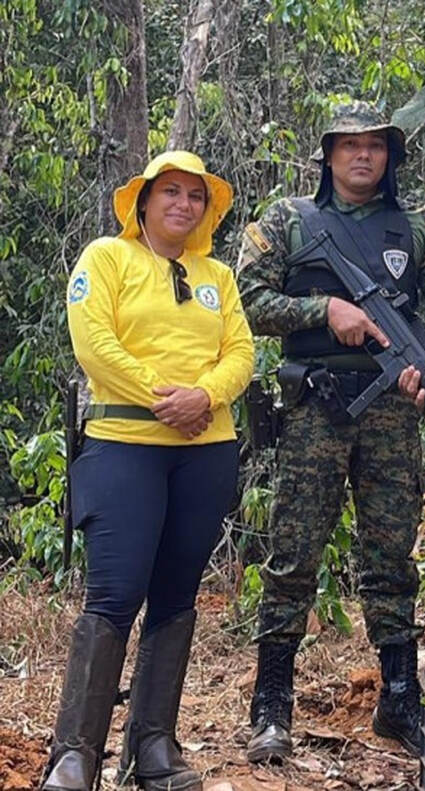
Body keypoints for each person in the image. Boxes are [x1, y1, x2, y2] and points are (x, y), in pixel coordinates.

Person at [235, 102, 425, 761]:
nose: (363, 155)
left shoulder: (417, 228)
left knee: (391, 556)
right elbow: (248, 300)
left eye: (375, 145)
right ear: (328, 155)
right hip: (314, 406)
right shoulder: (288, 221)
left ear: (390, 157)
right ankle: (272, 704)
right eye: (349, 145)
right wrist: (325, 309)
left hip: (392, 411)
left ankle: (400, 696)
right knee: (293, 553)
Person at [49, 150, 253, 791]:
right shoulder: (107, 258)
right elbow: (95, 344)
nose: (183, 204)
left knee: (176, 596)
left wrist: (206, 396)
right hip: (124, 445)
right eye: (170, 192)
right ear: (143, 202)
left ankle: (153, 747)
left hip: (206, 450)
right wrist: (165, 399)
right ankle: (75, 754)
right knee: (114, 594)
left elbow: (241, 352)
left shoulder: (218, 275)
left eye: (195, 196)